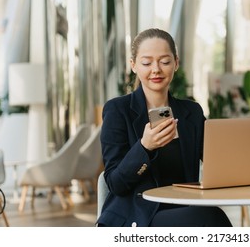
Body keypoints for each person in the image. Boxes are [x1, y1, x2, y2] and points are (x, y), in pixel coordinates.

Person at [96, 28, 232, 227]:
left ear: (176, 63)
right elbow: (115, 183)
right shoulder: (118, 110)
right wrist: (144, 147)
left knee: (208, 215)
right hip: (137, 216)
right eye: (146, 62)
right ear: (133, 65)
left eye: (165, 61)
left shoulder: (191, 112)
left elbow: (215, 163)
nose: (156, 69)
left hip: (182, 208)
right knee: (208, 218)